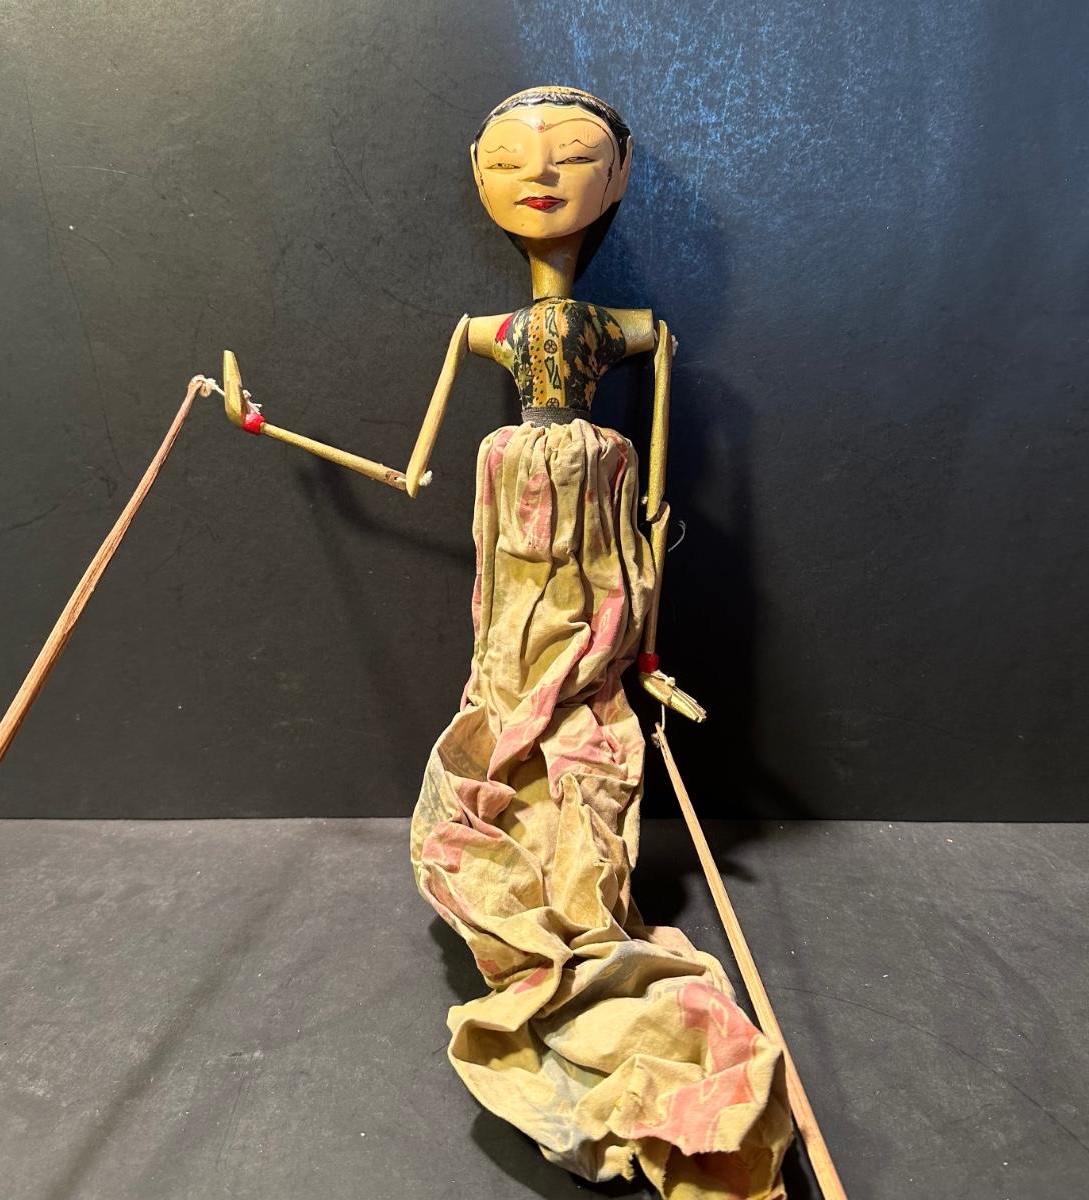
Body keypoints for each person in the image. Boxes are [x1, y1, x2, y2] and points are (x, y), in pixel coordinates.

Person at [404, 86, 794, 1199]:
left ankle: (574, 828)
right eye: (508, 158)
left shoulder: (637, 333)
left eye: (574, 155)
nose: (540, 174)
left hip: (600, 533)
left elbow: (658, 505)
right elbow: (415, 467)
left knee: (582, 698)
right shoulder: (481, 335)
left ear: (616, 178)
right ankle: (520, 817)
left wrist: (647, 636)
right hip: (511, 524)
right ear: (475, 173)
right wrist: (264, 425)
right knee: (508, 684)